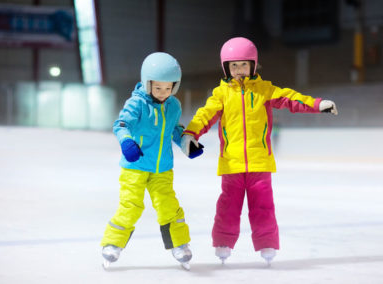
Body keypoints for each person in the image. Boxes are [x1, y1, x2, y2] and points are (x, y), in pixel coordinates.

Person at [181, 37, 338, 265]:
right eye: (233, 66)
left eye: (244, 65)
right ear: (226, 68)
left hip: (260, 163)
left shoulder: (265, 90)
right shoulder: (221, 94)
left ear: (253, 65)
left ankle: (267, 245)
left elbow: (290, 98)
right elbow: (204, 115)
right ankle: (223, 243)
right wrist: (190, 134)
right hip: (232, 164)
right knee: (228, 206)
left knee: (263, 207)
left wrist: (316, 104)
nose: (239, 70)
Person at [100, 52, 203, 270]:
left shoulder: (173, 106)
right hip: (135, 167)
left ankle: (179, 244)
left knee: (168, 206)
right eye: (158, 88)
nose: (163, 93)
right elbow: (121, 125)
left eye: (169, 88)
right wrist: (127, 142)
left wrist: (187, 145)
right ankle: (113, 243)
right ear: (147, 83)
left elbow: (175, 130)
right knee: (131, 206)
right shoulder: (136, 104)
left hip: (162, 170)